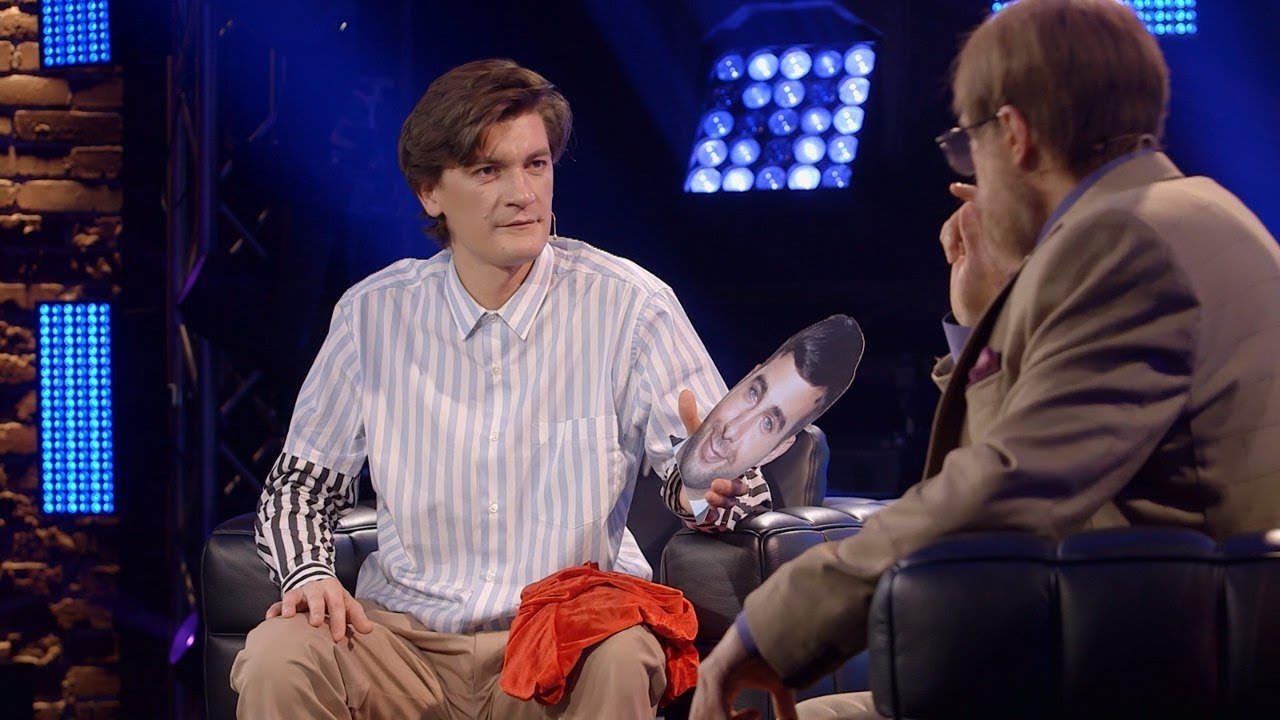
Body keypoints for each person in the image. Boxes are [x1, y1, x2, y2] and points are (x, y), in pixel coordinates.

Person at [688, 1, 1280, 718]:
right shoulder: (1195, 210)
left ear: (1014, 135)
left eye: (967, 145)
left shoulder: (1120, 242)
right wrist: (981, 320)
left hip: (1161, 669)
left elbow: (1002, 490)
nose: (970, 173)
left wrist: (768, 627)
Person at [230, 58, 766, 720]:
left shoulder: (632, 306)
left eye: (535, 165)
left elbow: (727, 489)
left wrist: (709, 487)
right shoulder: (373, 315)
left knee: (624, 650)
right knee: (279, 654)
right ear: (430, 192)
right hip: (400, 645)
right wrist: (310, 575)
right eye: (489, 171)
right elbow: (299, 491)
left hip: (562, 641)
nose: (523, 194)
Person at [677, 315, 863, 493]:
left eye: (767, 423)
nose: (731, 431)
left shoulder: (747, 503)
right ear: (746, 378)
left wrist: (694, 500)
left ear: (776, 450)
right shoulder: (675, 400)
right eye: (753, 393)